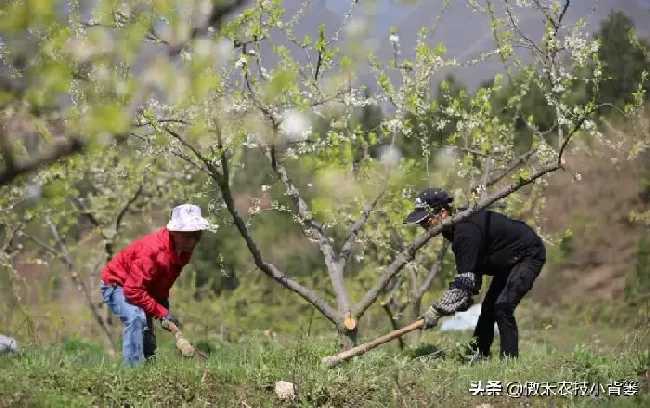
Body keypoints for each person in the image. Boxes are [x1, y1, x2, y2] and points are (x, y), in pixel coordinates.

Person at [403, 188, 546, 359]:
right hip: (505, 261)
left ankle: (509, 363)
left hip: (527, 254)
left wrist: (436, 311)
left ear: (442, 213)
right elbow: (470, 273)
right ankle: (477, 355)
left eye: (426, 221)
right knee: (488, 309)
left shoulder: (465, 231)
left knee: (502, 307)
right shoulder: (452, 230)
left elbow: (463, 284)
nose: (424, 228)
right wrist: (459, 301)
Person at [100, 203, 210, 367]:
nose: (193, 240)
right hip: (118, 284)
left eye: (197, 234)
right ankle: (132, 374)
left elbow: (162, 281)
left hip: (143, 286)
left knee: (148, 326)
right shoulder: (152, 252)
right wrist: (160, 310)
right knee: (137, 318)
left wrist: (163, 312)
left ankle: (149, 367)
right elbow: (132, 290)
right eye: (188, 235)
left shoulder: (183, 248)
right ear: (174, 232)